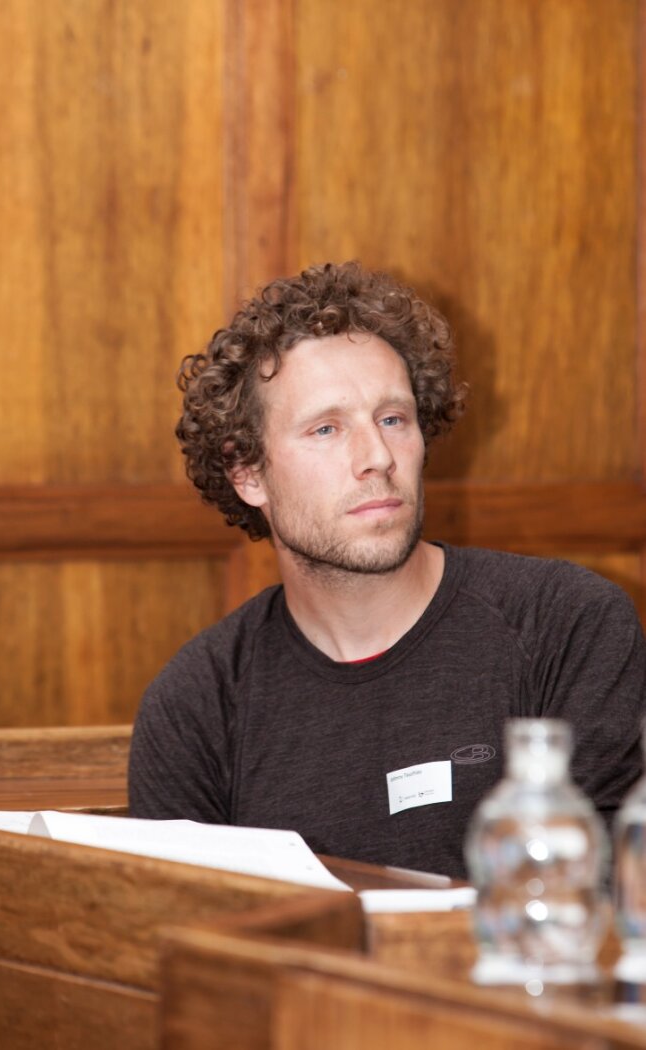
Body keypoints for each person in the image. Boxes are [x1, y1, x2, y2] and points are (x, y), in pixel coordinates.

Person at [129, 261, 646, 879]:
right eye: (326, 429)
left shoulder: (567, 626)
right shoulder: (195, 704)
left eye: (393, 419)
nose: (376, 456)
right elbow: (182, 927)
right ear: (248, 473)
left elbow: (609, 899)